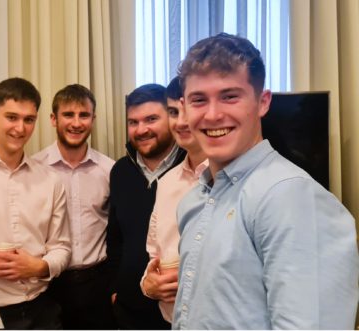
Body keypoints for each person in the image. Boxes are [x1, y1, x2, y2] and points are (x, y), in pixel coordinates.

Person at [173, 32, 359, 329]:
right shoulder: (194, 201)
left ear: (262, 102)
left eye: (229, 96)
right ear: (184, 108)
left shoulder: (290, 196)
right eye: (198, 100)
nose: (213, 114)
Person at [0, 77, 71, 329]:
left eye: (28, 120)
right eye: (12, 117)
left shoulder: (50, 180)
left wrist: (39, 267)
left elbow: (62, 247)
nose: (20, 128)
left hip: (43, 310)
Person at [32, 84, 116, 329]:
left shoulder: (109, 170)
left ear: (93, 119)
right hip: (49, 286)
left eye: (84, 115)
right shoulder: (36, 169)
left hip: (96, 286)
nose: (76, 123)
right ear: (53, 119)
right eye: (68, 115)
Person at [106, 83, 186, 329]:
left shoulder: (195, 168)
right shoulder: (120, 171)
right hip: (129, 310)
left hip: (179, 310)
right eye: (133, 122)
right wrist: (115, 287)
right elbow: (115, 236)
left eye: (151, 119)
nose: (141, 130)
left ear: (171, 118)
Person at [139, 76, 208, 323]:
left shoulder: (233, 179)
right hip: (173, 320)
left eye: (189, 110)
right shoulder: (166, 183)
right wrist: (148, 284)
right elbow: (154, 253)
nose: (181, 122)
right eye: (173, 112)